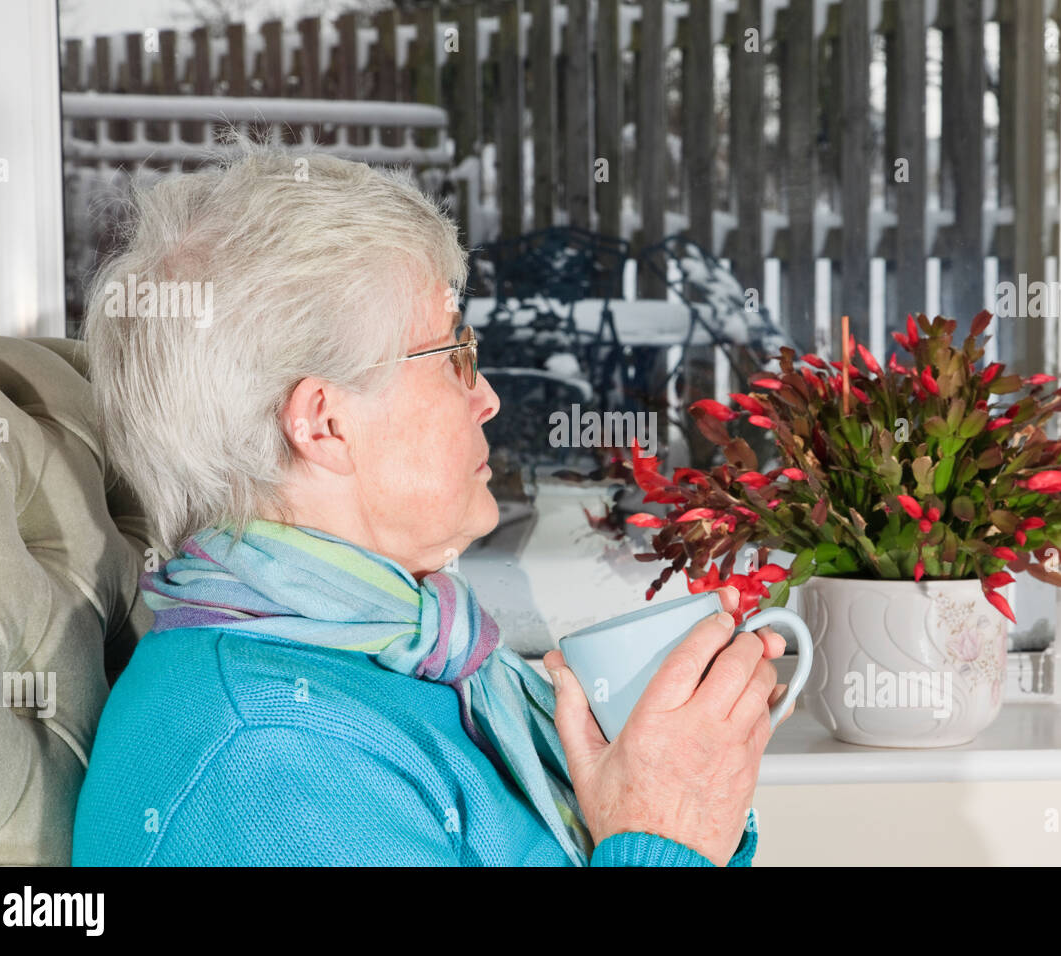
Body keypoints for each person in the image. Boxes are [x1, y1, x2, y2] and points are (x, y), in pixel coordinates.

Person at [71, 140, 793, 866]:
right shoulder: (269, 764)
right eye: (453, 356)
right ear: (325, 424)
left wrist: (668, 785)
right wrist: (665, 835)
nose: (486, 396)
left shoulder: (417, 655)